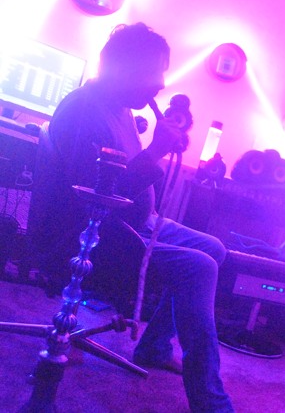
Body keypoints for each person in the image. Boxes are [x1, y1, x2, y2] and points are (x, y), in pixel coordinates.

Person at [39, 22, 234, 413]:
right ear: (125, 69)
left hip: (136, 223)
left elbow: (124, 176)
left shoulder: (121, 107)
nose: (161, 83)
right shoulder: (85, 111)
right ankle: (211, 402)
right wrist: (156, 151)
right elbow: (95, 202)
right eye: (154, 71)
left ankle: (154, 347)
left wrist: (155, 151)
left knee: (214, 248)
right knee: (199, 267)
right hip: (95, 236)